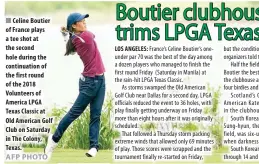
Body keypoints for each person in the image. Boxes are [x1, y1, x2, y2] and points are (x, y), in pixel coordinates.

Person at [44, 12, 106, 158]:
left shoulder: (76, 38)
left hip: (101, 80)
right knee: (74, 113)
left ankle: (93, 147)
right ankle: (53, 140)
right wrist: (67, 34)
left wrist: (66, 34)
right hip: (90, 83)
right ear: (74, 25)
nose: (85, 23)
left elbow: (70, 42)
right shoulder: (86, 36)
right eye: (81, 21)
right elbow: (88, 37)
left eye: (85, 20)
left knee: (95, 115)